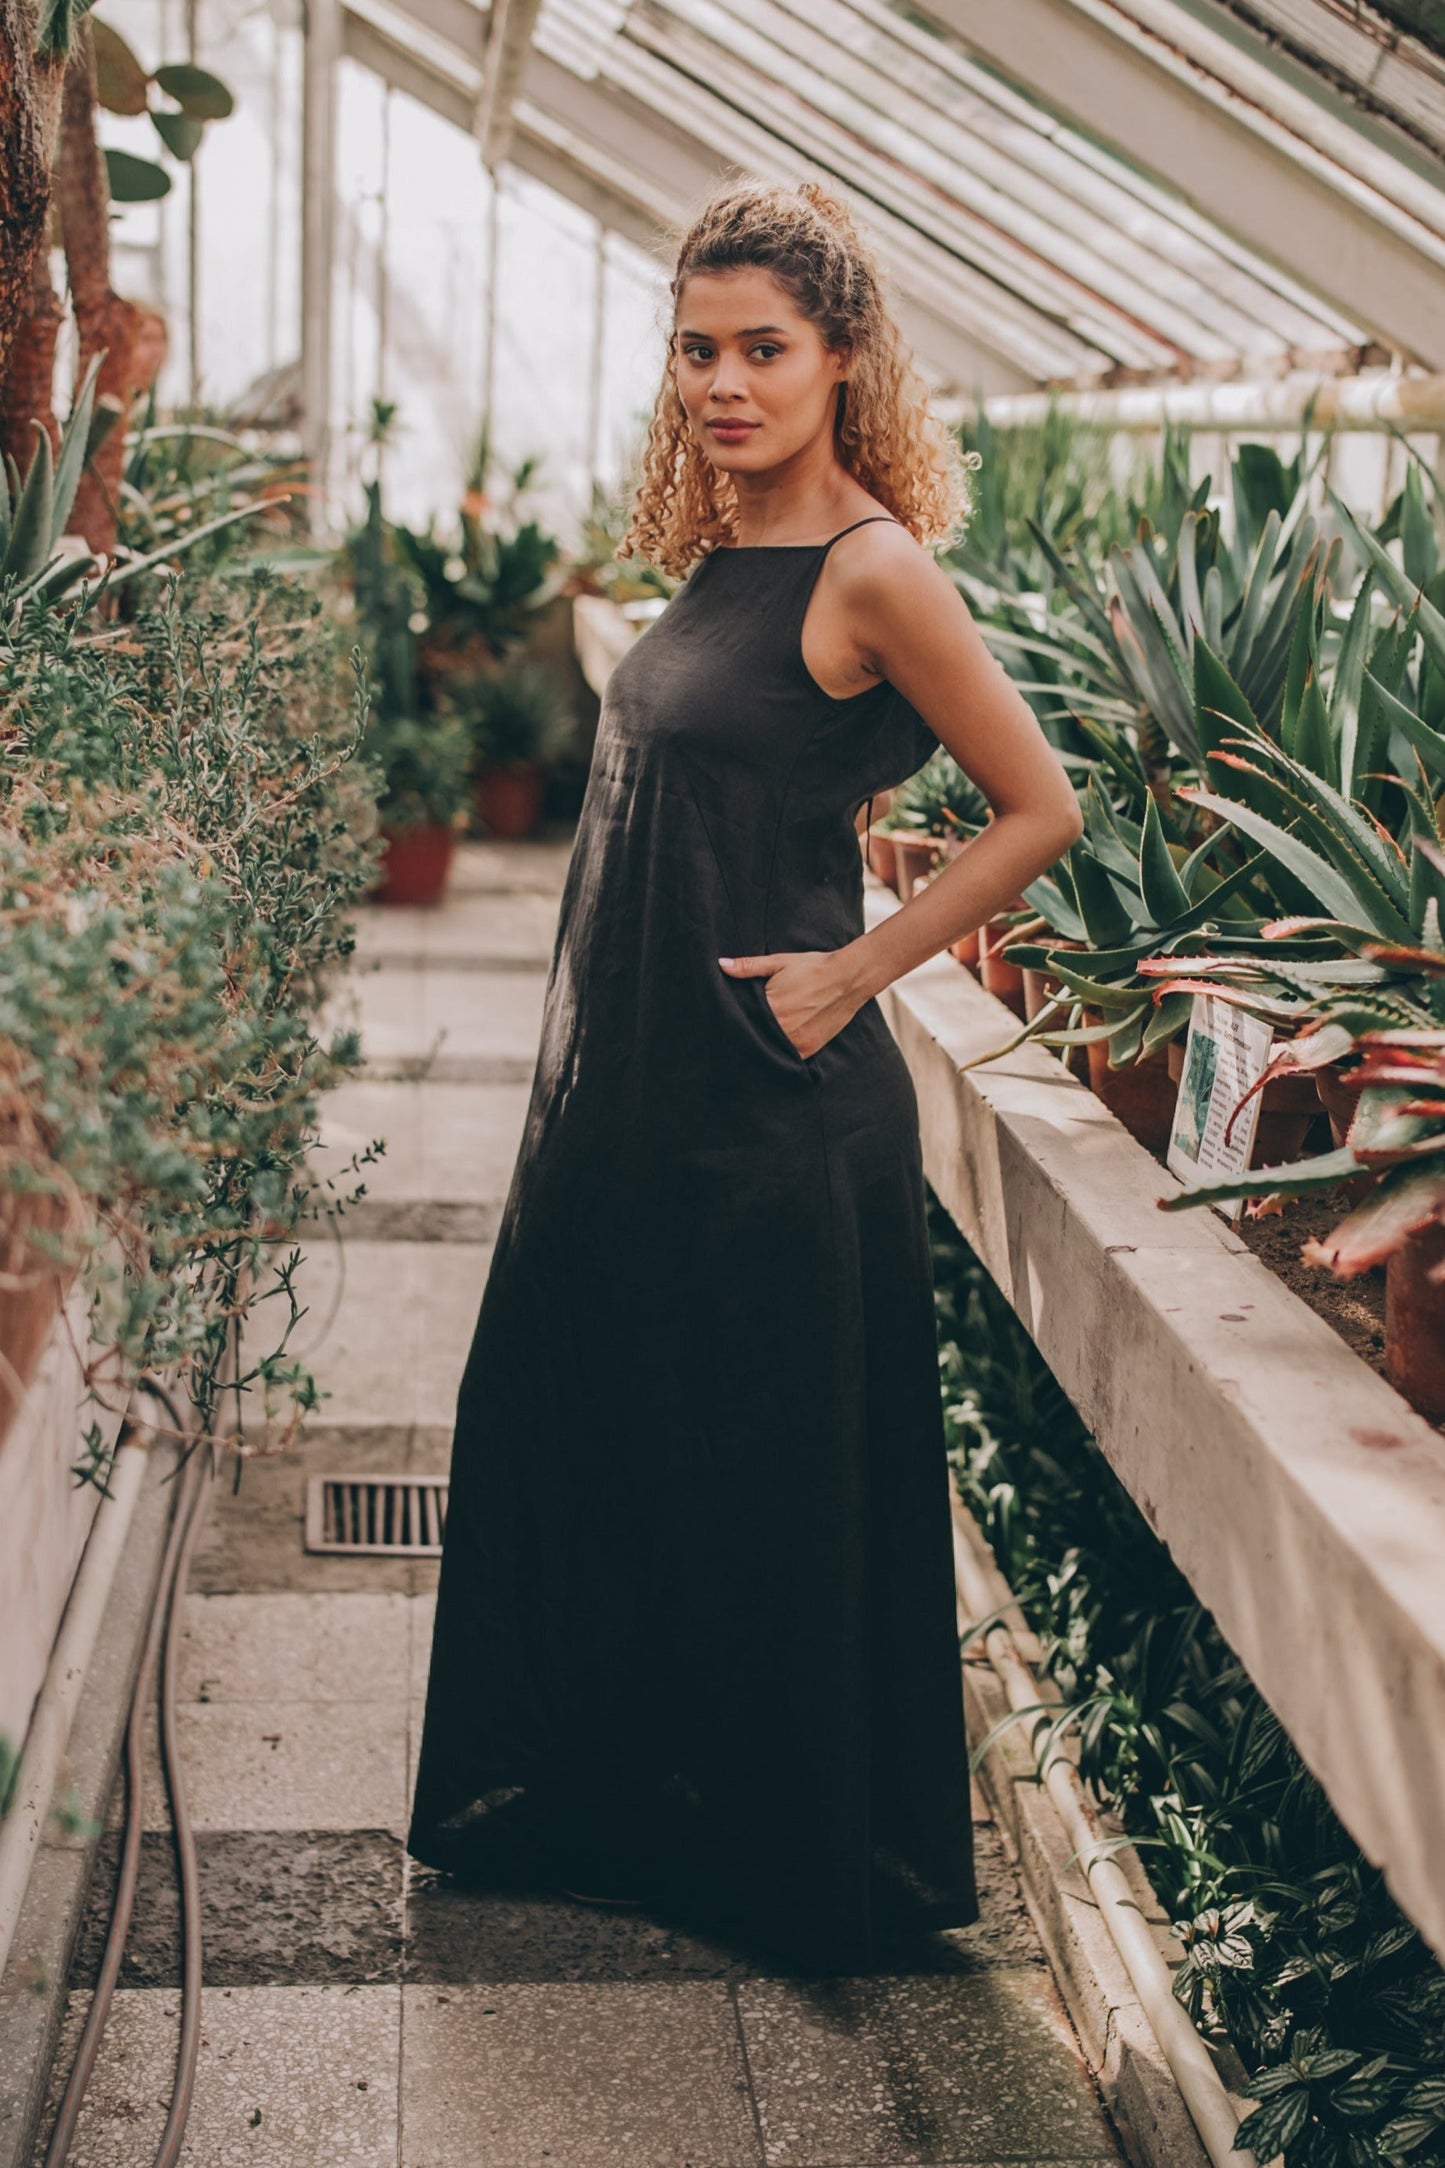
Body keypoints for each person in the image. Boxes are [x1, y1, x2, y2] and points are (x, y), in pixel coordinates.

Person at [408, 177, 1083, 1973]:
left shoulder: (874, 567)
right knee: (621, 1453)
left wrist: (852, 971)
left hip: (772, 1120)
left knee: (756, 1489)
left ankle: (787, 1861)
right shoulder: (721, 551)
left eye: (761, 349)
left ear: (842, 360)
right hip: (640, 1107)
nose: (722, 382)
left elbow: (1039, 809)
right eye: (696, 350)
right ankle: (635, 1816)